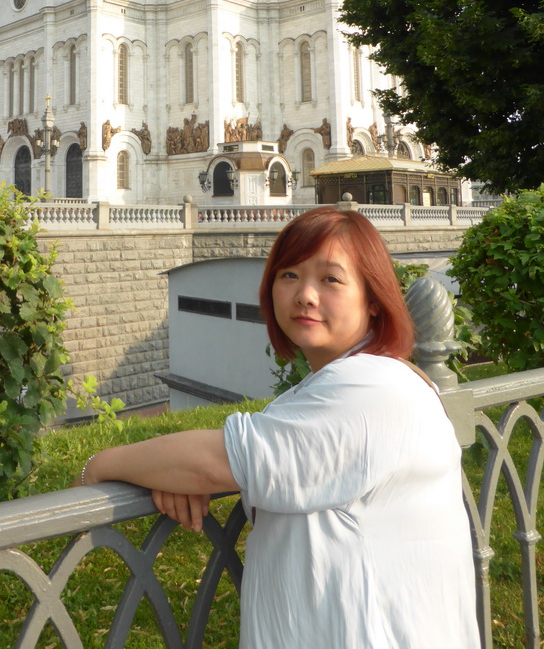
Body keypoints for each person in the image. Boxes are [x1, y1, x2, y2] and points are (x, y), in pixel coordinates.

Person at [79, 206, 480, 648]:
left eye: (331, 279)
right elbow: (236, 463)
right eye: (288, 275)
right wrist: (171, 470)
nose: (305, 295)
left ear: (373, 300)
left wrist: (101, 465)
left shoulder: (370, 389)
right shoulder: (362, 381)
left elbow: (219, 461)